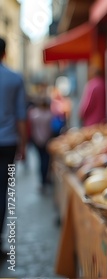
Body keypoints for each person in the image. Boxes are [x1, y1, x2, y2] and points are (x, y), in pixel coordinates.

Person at [0, 37, 27, 252]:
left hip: (8, 143)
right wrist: (24, 146)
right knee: (3, 192)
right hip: (8, 144)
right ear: (5, 53)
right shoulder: (14, 78)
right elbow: (21, 116)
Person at [28, 97, 53, 192]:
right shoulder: (49, 114)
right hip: (46, 140)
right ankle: (45, 179)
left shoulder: (33, 114)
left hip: (37, 140)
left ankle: (42, 181)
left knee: (40, 160)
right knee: (45, 160)